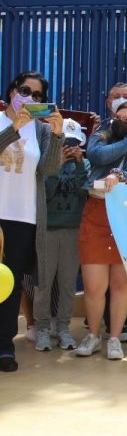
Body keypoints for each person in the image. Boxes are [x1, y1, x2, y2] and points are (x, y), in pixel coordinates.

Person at [76, 101, 127, 360]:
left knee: (122, 284)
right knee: (94, 285)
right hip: (96, 212)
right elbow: (98, 157)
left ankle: (114, 337)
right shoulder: (101, 136)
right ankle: (93, 334)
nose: (120, 122)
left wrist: (124, 177)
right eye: (118, 117)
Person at [0, 72, 63, 373]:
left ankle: (3, 347)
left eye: (37, 96)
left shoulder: (40, 130)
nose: (30, 98)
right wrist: (14, 128)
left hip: (23, 217)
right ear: (12, 90)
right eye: (25, 91)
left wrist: (58, 134)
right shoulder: (3, 121)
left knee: (10, 287)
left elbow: (50, 169)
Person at [33, 119, 90, 352]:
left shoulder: (84, 164)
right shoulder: (45, 164)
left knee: (67, 282)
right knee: (44, 282)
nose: (69, 147)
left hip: (72, 229)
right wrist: (56, 166)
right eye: (66, 142)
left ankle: (64, 327)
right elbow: (43, 194)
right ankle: (42, 329)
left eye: (74, 144)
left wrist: (77, 164)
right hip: (47, 229)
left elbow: (83, 190)